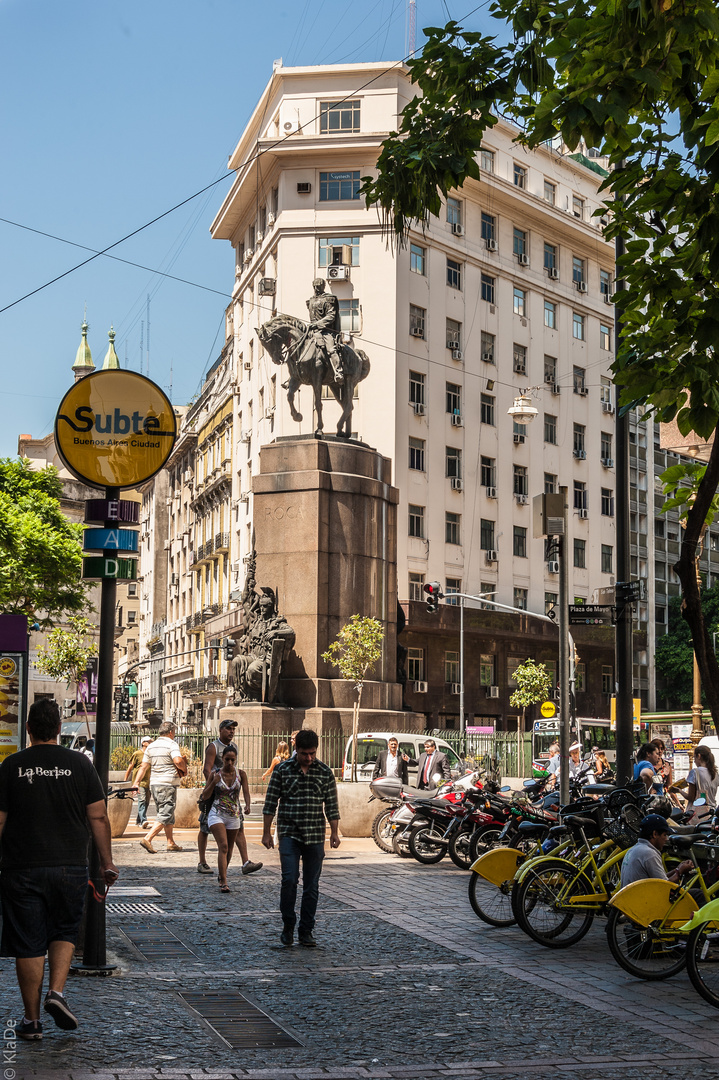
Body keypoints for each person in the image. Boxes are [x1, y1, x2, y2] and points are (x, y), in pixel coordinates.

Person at [0, 699, 118, 1039]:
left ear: (29, 729)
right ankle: (57, 992)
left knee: (28, 941)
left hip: (21, 868)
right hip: (70, 866)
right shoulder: (80, 765)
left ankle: (32, 1021)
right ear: (58, 729)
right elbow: (98, 816)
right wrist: (107, 862)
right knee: (64, 930)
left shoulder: (12, 765)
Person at [262, 729, 340, 947]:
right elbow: (270, 802)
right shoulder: (283, 770)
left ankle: (306, 930)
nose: (309, 758)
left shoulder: (324, 772)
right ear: (296, 750)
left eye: (312, 753)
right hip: (289, 833)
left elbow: (332, 805)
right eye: (305, 753)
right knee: (289, 879)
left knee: (311, 885)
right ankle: (288, 925)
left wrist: (334, 832)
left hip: (315, 835)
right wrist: (266, 832)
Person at [199, 746, 260, 890]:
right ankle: (224, 882)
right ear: (222, 758)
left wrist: (247, 805)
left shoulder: (241, 774)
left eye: (233, 760)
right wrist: (213, 782)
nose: (230, 763)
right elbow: (205, 796)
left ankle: (222, 874)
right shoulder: (215, 774)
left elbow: (246, 792)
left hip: (234, 815)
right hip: (216, 813)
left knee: (230, 848)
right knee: (224, 846)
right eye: (227, 759)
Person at [134, 721, 187, 853]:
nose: (174, 735)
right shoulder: (171, 744)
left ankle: (170, 842)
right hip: (167, 784)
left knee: (165, 812)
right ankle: (148, 838)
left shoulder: (151, 746)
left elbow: (143, 766)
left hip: (154, 784)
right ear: (170, 732)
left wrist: (136, 783)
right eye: (174, 732)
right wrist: (184, 768)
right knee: (166, 812)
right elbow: (178, 761)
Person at [197, 720, 238, 874]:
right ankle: (202, 861)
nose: (231, 731)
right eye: (228, 729)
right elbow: (207, 769)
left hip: (229, 795)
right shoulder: (213, 747)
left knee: (236, 826)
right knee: (204, 826)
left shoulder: (234, 748)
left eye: (233, 729)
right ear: (220, 730)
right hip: (214, 792)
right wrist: (213, 786)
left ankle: (244, 860)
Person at [620, 814, 693, 887]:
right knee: (698, 894)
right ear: (655, 834)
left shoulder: (633, 849)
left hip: (632, 896)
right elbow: (664, 886)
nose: (666, 839)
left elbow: (660, 879)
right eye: (664, 835)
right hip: (644, 897)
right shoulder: (649, 853)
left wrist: (677, 869)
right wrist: (680, 871)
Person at [306, 277, 344, 384]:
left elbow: (331, 316)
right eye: (315, 286)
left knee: (331, 350)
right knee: (298, 345)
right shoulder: (311, 300)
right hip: (312, 331)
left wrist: (317, 324)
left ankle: (338, 372)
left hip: (325, 331)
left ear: (323, 286)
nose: (316, 288)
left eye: (318, 286)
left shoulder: (329, 299)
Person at [125, 735, 153, 828]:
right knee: (142, 799)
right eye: (148, 741)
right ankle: (143, 820)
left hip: (148, 782)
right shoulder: (137, 754)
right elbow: (130, 768)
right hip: (139, 781)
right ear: (143, 743)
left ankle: (138, 820)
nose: (150, 743)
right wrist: (125, 780)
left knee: (147, 801)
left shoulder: (151, 754)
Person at [686, 746, 719, 823]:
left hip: (698, 814)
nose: (694, 761)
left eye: (694, 758)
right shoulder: (715, 773)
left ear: (699, 756)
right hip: (712, 812)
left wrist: (679, 790)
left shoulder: (695, 772)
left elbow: (691, 797)